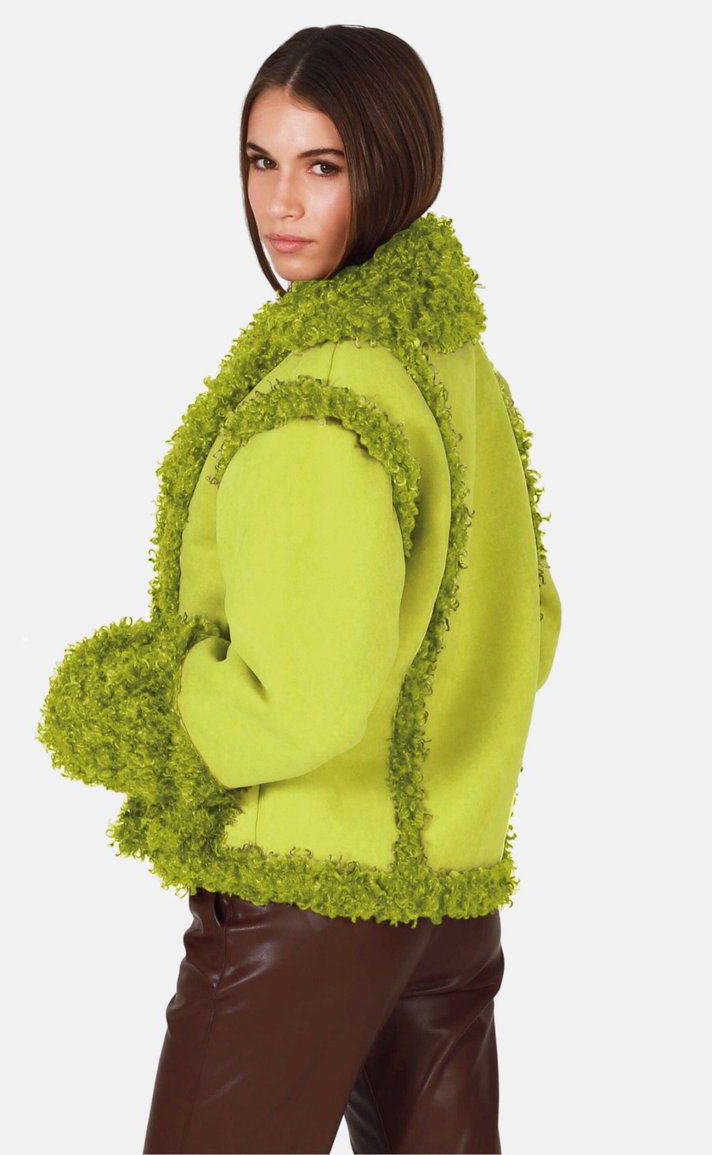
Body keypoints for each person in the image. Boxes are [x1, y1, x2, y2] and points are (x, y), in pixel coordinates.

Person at [36, 23, 562, 1155]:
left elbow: (300, 699)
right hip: (448, 896)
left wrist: (141, 710)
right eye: (259, 160)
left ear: (397, 163)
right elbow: (532, 624)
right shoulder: (458, 370)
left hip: (307, 896)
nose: (281, 203)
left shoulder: (321, 393)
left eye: (323, 166)